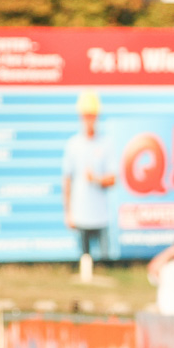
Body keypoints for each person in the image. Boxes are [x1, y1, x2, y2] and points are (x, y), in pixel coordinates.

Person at [62, 90, 116, 260]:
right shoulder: (73, 145)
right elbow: (67, 181)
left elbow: (113, 179)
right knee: (84, 263)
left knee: (105, 263)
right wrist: (68, 212)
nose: (89, 120)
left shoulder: (106, 143)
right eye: (86, 115)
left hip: (101, 217)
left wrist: (97, 179)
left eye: (92, 115)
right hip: (81, 215)